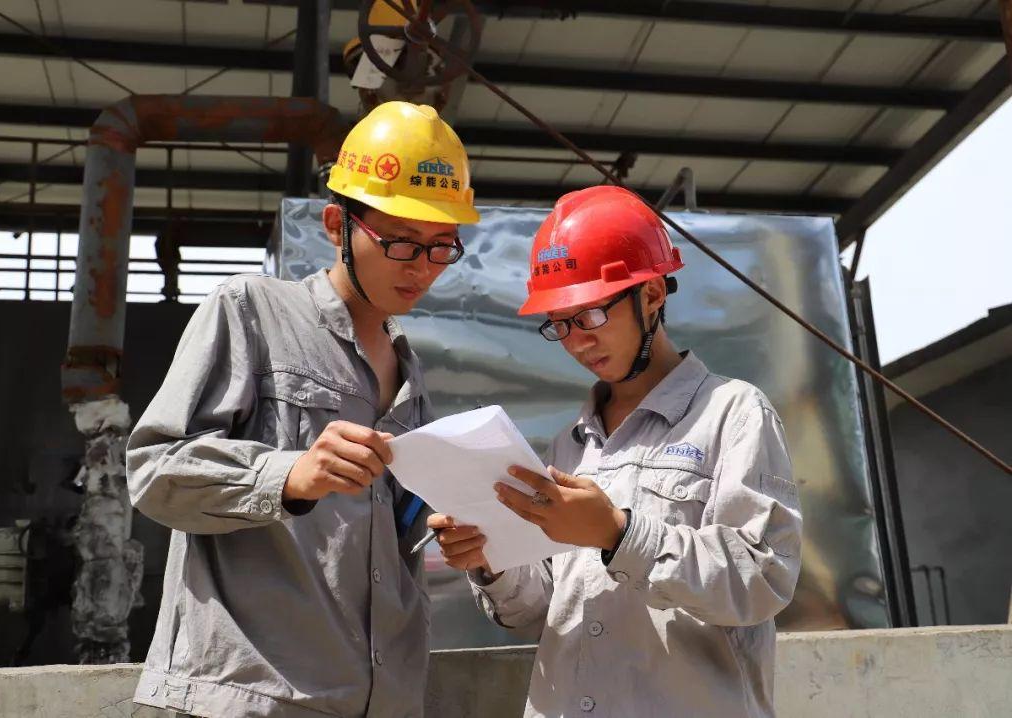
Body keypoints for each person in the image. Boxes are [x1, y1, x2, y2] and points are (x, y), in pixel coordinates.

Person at [127, 101, 480, 718]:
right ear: (336, 224)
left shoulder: (410, 376)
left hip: (378, 701)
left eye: (441, 246)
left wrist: (455, 528)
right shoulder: (251, 312)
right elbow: (155, 470)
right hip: (249, 697)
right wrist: (286, 476)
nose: (422, 268)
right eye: (400, 242)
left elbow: (389, 544)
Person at [428, 185, 803, 717]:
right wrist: (492, 561)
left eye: (592, 315)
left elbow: (763, 579)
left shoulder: (733, 413)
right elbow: (541, 612)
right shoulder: (571, 446)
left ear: (652, 295)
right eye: (560, 323)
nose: (578, 341)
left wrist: (618, 534)